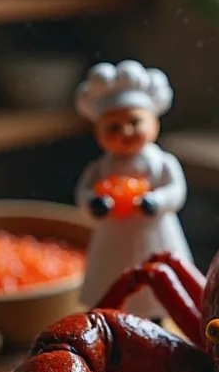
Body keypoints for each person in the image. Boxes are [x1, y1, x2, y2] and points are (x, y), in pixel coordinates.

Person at [75, 59, 192, 319]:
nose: (125, 131)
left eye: (134, 122)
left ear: (153, 123)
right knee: (112, 280)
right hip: (113, 237)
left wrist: (156, 201)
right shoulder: (100, 168)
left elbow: (176, 190)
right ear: (99, 133)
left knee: (158, 286)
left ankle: (157, 320)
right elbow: (83, 192)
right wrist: (95, 202)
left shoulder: (162, 162)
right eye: (113, 127)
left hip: (154, 234)